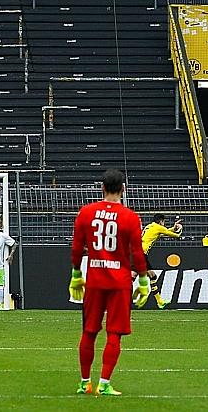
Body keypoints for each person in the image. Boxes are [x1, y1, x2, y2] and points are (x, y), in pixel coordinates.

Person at [69, 169, 149, 397]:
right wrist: (143, 280)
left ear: (102, 188)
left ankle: (85, 382)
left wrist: (76, 274)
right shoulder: (130, 217)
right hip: (120, 282)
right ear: (123, 189)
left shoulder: (86, 212)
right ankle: (104, 383)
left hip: (95, 279)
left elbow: (77, 247)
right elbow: (137, 252)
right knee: (115, 333)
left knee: (89, 331)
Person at [135, 214, 182, 309]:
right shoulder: (158, 227)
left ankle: (160, 302)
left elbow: (163, 232)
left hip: (136, 252)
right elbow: (176, 235)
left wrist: (173, 228)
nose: (164, 223)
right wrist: (180, 229)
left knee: (151, 276)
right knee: (135, 276)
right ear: (161, 221)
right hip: (141, 254)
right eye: (163, 222)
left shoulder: (150, 226)